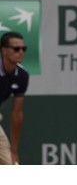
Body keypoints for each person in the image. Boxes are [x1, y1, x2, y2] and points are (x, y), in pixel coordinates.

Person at [0, 32, 29, 165]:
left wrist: (14, 150)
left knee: (11, 165)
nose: (21, 52)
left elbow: (17, 113)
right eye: (16, 49)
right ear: (4, 50)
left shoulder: (22, 75)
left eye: (23, 49)